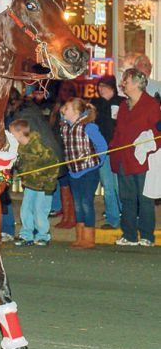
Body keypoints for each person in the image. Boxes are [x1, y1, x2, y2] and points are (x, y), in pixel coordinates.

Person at [110, 68, 161, 247]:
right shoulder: (124, 105)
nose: (123, 84)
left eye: (127, 81)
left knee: (145, 198)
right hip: (124, 157)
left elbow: (158, 132)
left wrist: (145, 145)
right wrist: (113, 148)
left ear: (138, 84)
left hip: (143, 159)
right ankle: (129, 235)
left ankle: (147, 236)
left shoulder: (152, 105)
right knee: (127, 198)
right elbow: (119, 130)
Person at [59, 98, 107, 249]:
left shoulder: (88, 127)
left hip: (88, 171)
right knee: (78, 205)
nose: (62, 110)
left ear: (76, 111)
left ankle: (89, 239)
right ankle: (80, 237)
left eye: (66, 107)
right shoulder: (65, 128)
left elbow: (102, 146)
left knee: (86, 203)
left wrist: (97, 162)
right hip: (73, 172)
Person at [9, 119, 59, 247]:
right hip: (29, 185)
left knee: (40, 211)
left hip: (43, 186)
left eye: (12, 133)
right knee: (25, 210)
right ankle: (26, 235)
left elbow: (53, 164)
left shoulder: (39, 147)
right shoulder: (20, 148)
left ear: (20, 133)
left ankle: (43, 235)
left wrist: (49, 185)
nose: (10, 136)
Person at [91, 74, 124, 230]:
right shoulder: (96, 103)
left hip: (117, 150)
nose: (101, 89)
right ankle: (113, 219)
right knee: (108, 187)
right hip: (102, 152)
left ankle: (126, 217)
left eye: (104, 86)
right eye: (100, 86)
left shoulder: (120, 103)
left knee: (119, 187)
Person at [49, 80, 78, 229]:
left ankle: (70, 217)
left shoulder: (73, 108)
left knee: (68, 185)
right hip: (59, 149)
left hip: (69, 150)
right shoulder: (56, 107)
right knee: (63, 185)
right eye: (64, 90)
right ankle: (66, 216)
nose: (66, 93)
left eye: (69, 91)